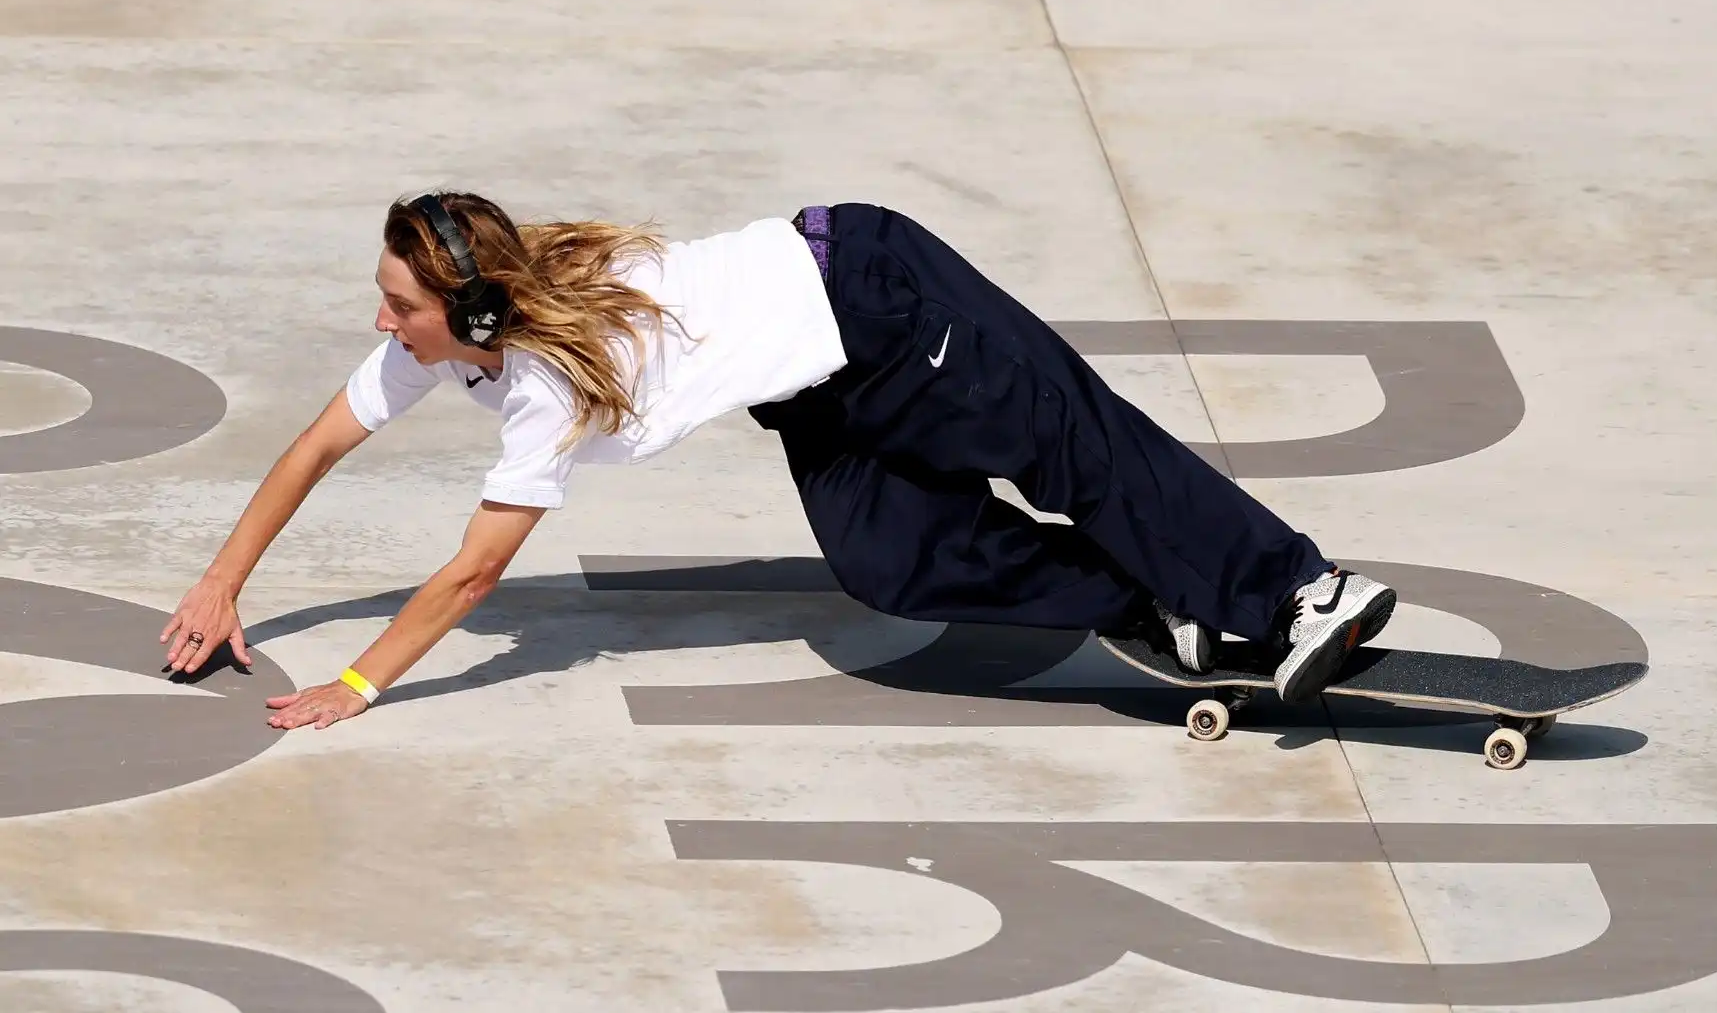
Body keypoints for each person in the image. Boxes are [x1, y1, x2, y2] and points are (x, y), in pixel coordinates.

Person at [160, 193, 1397, 731]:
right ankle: (1165, 603)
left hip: (877, 300)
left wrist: (360, 685)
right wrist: (223, 583)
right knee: (891, 563)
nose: (382, 322)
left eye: (398, 304)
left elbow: (473, 576)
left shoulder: (539, 387)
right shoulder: (453, 340)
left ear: (471, 312)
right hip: (813, 384)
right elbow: (312, 446)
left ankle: (1296, 593)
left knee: (1077, 448)